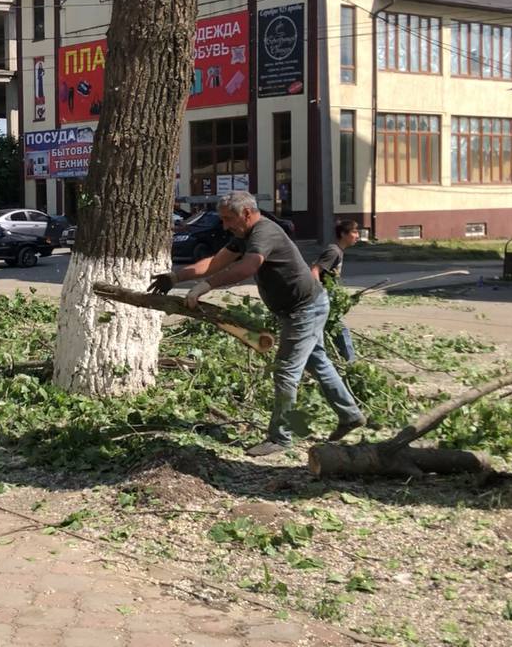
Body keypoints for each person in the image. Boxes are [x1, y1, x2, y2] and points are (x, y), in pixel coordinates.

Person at [148, 191, 365, 456]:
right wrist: (175, 277)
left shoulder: (264, 232)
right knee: (318, 362)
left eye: (229, 219)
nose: (225, 225)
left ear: (247, 214)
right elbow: (215, 262)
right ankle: (350, 415)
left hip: (305, 309)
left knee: (285, 371)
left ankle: (281, 438)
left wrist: (204, 286)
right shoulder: (243, 235)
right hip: (301, 307)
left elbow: (248, 267)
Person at [311, 220, 361, 363]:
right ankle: (350, 362)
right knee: (339, 328)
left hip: (327, 295)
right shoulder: (333, 251)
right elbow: (314, 270)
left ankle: (332, 360)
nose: (357, 236)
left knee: (325, 330)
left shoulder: (338, 251)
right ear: (343, 234)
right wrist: (319, 294)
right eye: (354, 232)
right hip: (322, 296)